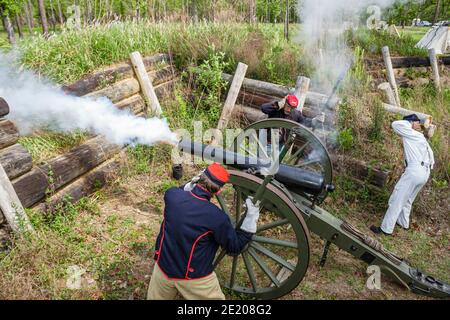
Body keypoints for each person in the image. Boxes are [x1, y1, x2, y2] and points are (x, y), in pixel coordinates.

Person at [147, 163, 261, 300]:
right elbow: (234, 246)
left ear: (199, 177)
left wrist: (191, 184)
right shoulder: (216, 217)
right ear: (218, 191)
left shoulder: (171, 195)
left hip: (162, 270)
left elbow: (181, 190)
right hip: (194, 279)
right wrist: (251, 217)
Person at [371, 114, 434, 236]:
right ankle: (403, 223)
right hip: (424, 173)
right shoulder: (420, 137)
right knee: (408, 199)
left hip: (415, 170)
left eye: (414, 122)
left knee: (397, 198)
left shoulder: (412, 133)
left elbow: (395, 124)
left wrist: (411, 123)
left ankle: (385, 229)